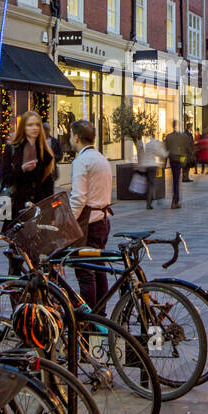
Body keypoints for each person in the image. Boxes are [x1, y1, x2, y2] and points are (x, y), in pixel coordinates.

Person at [68, 120, 113, 308]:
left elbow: (78, 198)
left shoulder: (81, 161)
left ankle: (90, 319)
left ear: (76, 137)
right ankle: (100, 315)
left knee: (86, 272)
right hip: (103, 220)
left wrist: (67, 222)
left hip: (89, 223)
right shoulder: (101, 158)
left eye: (71, 135)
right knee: (99, 268)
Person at [0, 111, 56, 233]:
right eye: (30, 125)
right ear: (23, 127)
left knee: (37, 248)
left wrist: (51, 213)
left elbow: (48, 186)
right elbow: (5, 179)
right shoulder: (12, 149)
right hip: (17, 206)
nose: (34, 128)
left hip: (39, 207)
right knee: (17, 247)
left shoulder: (45, 152)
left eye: (37, 125)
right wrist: (21, 170)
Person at [163, 121, 194, 209]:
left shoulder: (168, 137)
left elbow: (165, 149)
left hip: (172, 159)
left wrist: (164, 163)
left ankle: (175, 199)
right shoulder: (182, 136)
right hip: (179, 159)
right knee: (176, 179)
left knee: (175, 179)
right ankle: (175, 200)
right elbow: (187, 148)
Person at [135, 131, 167, 209]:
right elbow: (162, 154)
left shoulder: (147, 144)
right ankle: (151, 201)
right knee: (153, 183)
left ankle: (149, 200)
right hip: (153, 165)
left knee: (149, 183)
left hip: (146, 166)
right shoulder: (156, 144)